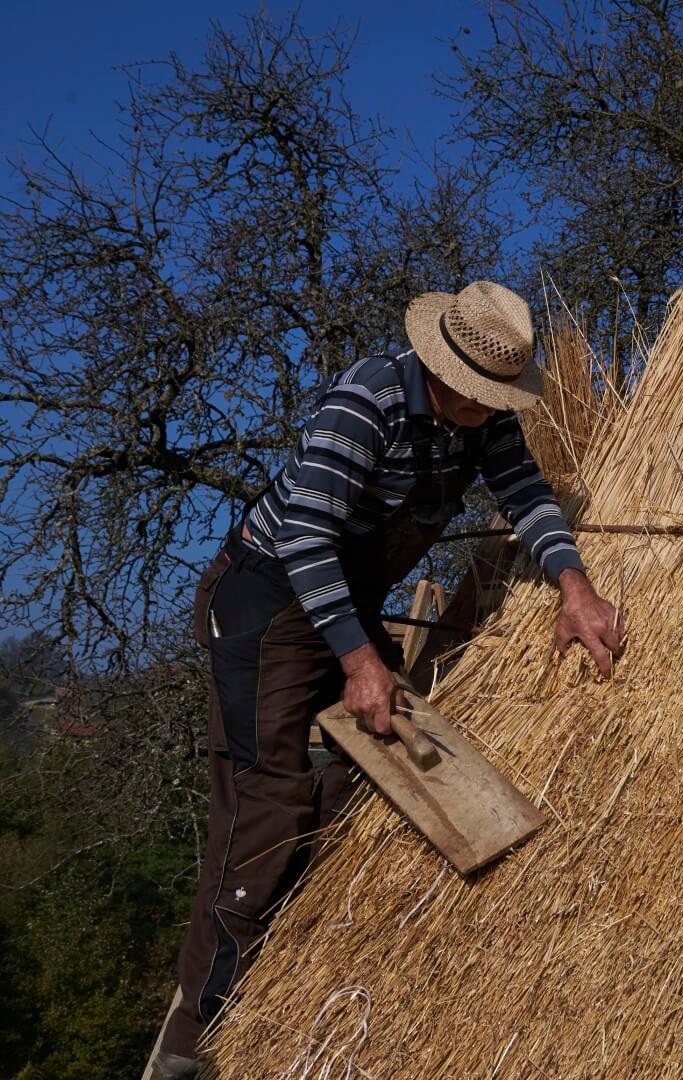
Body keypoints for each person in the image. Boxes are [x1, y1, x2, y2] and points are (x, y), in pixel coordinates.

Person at [152, 282, 623, 1077]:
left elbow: (526, 496)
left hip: (346, 596)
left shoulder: (486, 419)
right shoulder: (363, 402)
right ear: (441, 371)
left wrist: (575, 586)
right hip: (269, 597)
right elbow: (304, 536)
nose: (487, 410)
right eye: (477, 396)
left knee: (376, 770)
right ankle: (193, 1037)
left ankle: (288, 957)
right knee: (266, 796)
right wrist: (360, 660)